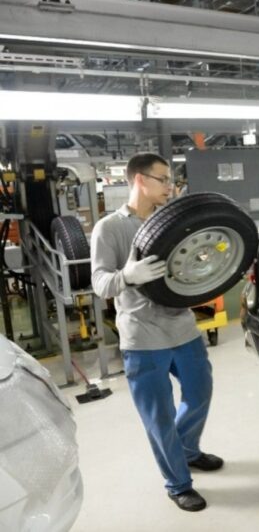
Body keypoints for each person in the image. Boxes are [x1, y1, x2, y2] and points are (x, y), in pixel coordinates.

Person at [91, 153, 222, 512]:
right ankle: (178, 483)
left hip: (182, 327)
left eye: (171, 180)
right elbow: (100, 283)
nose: (170, 186)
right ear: (140, 180)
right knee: (159, 415)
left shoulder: (173, 220)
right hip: (142, 336)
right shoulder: (110, 228)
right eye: (163, 179)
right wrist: (127, 276)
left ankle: (187, 450)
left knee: (200, 392)